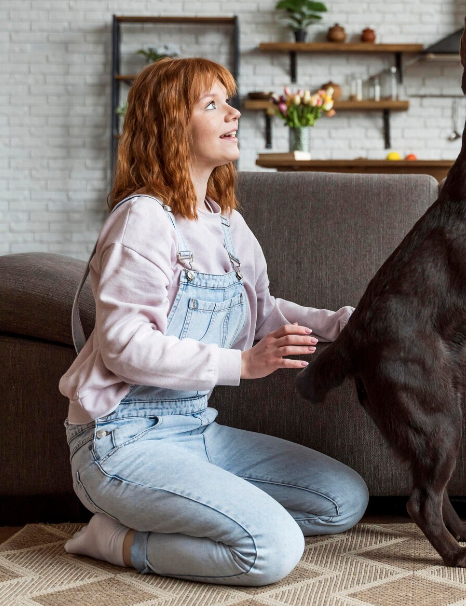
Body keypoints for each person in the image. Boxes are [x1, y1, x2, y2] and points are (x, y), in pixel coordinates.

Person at [59, 57, 368, 586]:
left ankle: (203, 513)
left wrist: (349, 325)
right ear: (170, 126)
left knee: (343, 499)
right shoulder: (141, 219)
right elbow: (124, 347)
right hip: (121, 441)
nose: (234, 112)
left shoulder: (227, 222)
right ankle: (116, 540)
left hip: (195, 429)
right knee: (272, 549)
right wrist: (241, 364)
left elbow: (262, 311)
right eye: (211, 104)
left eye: (228, 100)